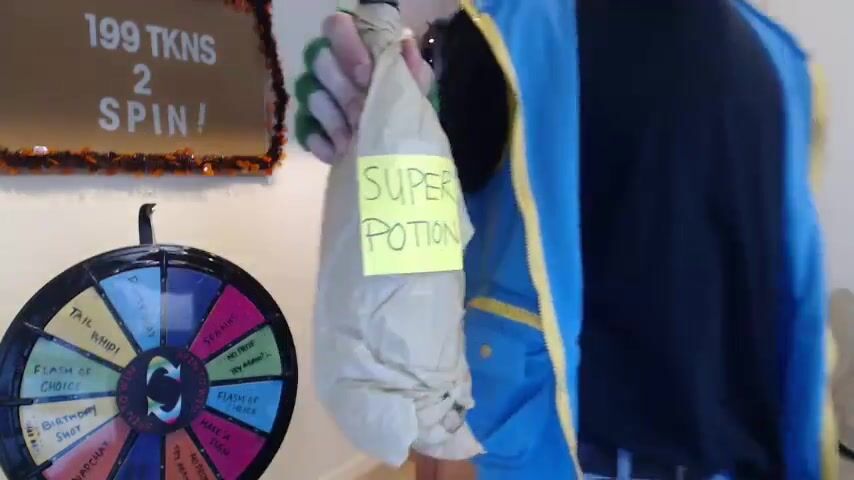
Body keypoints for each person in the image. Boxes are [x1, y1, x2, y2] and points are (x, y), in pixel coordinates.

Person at [296, 1, 837, 478]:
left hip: (743, 460)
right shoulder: (498, 32)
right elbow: (424, 166)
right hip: (567, 458)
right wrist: (384, 101)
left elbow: (792, 305)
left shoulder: (786, 65)